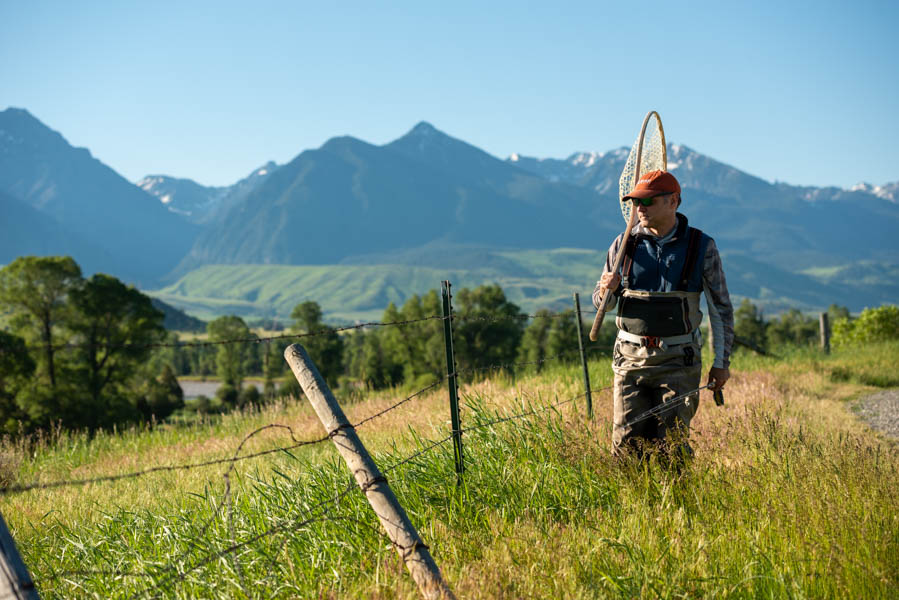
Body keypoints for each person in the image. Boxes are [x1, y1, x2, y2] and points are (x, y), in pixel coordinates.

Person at [593, 170, 734, 460]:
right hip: (629, 358)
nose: (640, 208)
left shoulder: (701, 246)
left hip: (679, 360)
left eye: (648, 201)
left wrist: (721, 363)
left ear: (674, 202)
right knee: (626, 445)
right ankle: (631, 503)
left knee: (671, 445)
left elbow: (720, 308)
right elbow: (601, 305)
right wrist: (609, 290)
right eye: (635, 202)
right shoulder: (623, 244)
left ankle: (678, 502)